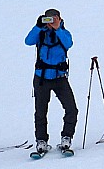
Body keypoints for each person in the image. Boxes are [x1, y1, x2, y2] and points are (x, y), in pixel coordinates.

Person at [24, 8, 77, 154]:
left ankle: (67, 137)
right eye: (48, 19)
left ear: (59, 18)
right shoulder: (40, 33)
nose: (51, 22)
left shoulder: (64, 33)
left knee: (71, 108)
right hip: (42, 77)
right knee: (40, 111)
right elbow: (28, 41)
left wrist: (57, 29)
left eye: (53, 19)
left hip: (59, 77)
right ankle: (41, 140)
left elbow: (69, 43)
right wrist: (37, 26)